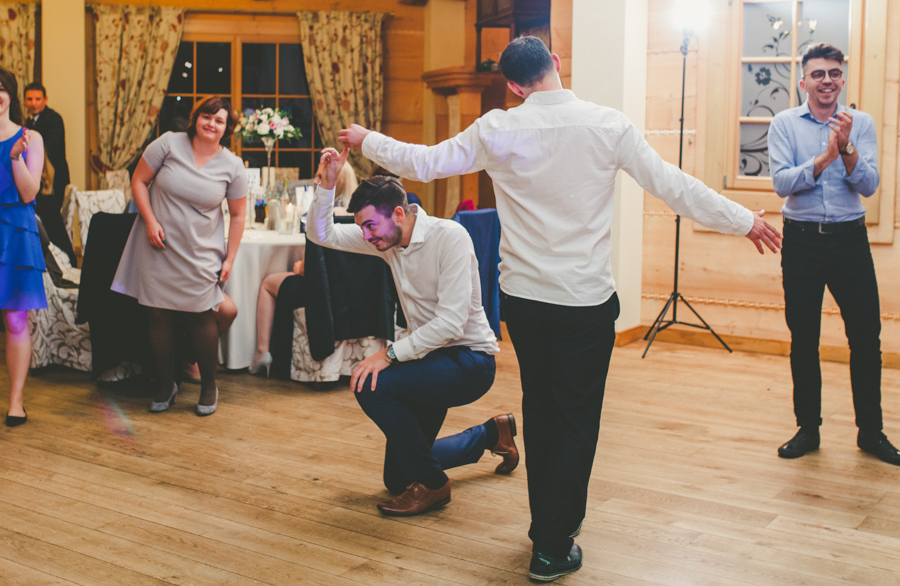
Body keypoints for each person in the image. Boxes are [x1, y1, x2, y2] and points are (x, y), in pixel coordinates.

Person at [337, 36, 782, 581]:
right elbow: (673, 185)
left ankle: (544, 531)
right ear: (555, 65)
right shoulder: (607, 124)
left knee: (544, 416)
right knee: (575, 422)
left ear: (513, 86)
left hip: (525, 305)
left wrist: (367, 139)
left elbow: (424, 163)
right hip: (584, 304)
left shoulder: (498, 128)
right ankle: (551, 544)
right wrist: (744, 220)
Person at [308, 146, 519, 517]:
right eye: (362, 227)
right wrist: (326, 186)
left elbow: (451, 324)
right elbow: (321, 234)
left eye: (370, 226)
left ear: (398, 214)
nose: (366, 235)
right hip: (428, 359)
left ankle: (435, 485)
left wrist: (388, 354)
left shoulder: (449, 237)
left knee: (370, 384)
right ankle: (492, 434)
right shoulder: (388, 241)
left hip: (470, 361)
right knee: (398, 476)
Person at [768, 42, 899, 466]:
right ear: (803, 81)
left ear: (842, 79)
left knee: (866, 338)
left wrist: (846, 147)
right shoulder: (784, 124)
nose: (827, 80)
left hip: (849, 240)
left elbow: (869, 185)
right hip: (802, 241)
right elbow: (782, 183)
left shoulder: (860, 123)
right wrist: (826, 157)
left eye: (834, 73)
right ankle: (808, 428)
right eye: (818, 74)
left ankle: (871, 432)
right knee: (804, 338)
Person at [111, 96, 247, 416]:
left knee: (201, 315)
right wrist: (150, 221)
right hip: (157, 245)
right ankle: (165, 384)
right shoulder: (168, 144)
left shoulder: (233, 166)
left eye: (219, 120)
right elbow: (139, 181)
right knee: (158, 316)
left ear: (227, 129)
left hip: (201, 252)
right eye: (206, 116)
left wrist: (229, 258)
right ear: (195, 117)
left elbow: (239, 215)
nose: (211, 124)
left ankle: (209, 385)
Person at [248, 159, 357, 375]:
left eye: (320, 176)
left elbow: (308, 269)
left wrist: (297, 266)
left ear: (337, 181)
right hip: (351, 292)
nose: (315, 181)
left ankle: (262, 351)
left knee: (268, 283)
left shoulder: (323, 216)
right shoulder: (358, 215)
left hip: (319, 294)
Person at [0, 67, 46, 427]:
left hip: (15, 231)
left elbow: (30, 194)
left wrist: (15, 157)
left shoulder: (31, 137)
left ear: (10, 94)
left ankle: (16, 401)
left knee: (16, 320)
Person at [24, 82, 76, 267]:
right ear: (24, 101)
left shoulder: (54, 119)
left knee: (52, 224)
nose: (34, 103)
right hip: (37, 182)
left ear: (45, 100)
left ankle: (67, 261)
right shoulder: (26, 122)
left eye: (37, 99)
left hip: (53, 185)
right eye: (30, 99)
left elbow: (48, 150)